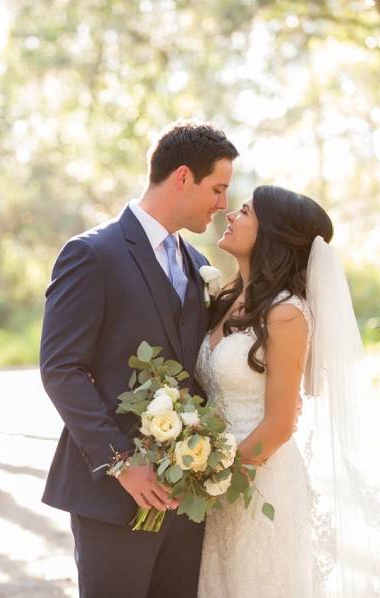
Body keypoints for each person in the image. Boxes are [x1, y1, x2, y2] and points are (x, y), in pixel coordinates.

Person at [39, 121, 238, 598]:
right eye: (218, 188)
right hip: (112, 496)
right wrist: (122, 461)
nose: (223, 204)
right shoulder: (92, 254)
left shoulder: (194, 261)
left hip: (184, 495)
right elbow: (61, 370)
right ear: (183, 177)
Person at [196, 185, 380, 597]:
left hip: (257, 480)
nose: (231, 215)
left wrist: (214, 480)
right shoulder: (227, 298)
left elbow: (281, 423)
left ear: (271, 233)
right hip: (210, 477)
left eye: (246, 211)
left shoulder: (286, 312)